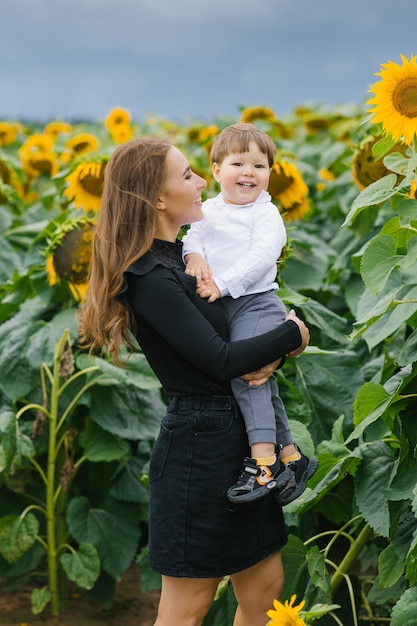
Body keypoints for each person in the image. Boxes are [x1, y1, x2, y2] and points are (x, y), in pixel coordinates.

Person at [78, 137, 310, 626]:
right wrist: (294, 332)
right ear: (158, 199)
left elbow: (245, 347)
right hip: (199, 450)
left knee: (265, 585)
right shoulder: (150, 278)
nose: (203, 181)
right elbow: (223, 359)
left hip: (243, 438)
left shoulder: (182, 258)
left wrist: (272, 351)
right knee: (188, 607)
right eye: (187, 175)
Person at [182, 123, 318, 506]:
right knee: (263, 380)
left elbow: (261, 260)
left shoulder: (266, 214)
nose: (249, 173)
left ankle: (264, 465)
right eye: (238, 163)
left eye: (259, 166)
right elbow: (192, 236)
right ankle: (290, 454)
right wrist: (192, 255)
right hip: (226, 305)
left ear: (269, 174)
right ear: (215, 171)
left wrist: (220, 284)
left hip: (255, 303)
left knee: (248, 376)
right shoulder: (206, 210)